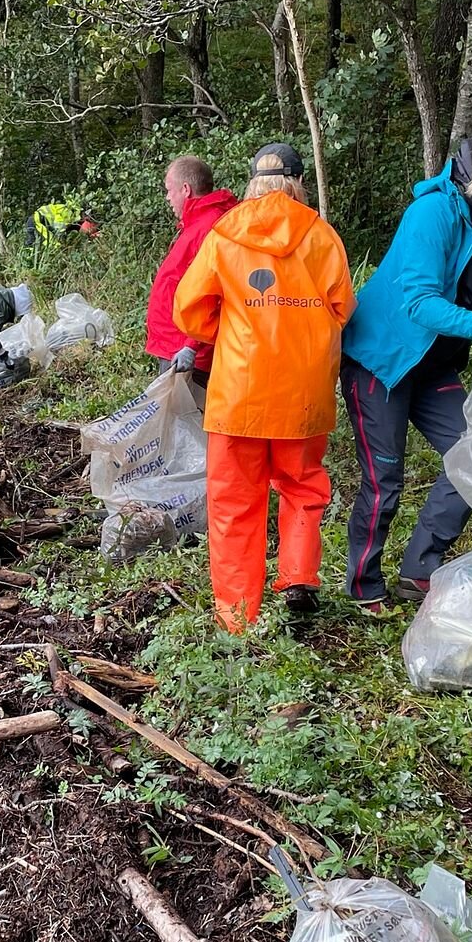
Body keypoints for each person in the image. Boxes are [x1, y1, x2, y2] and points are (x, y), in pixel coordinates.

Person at [340, 115, 472, 614]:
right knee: (384, 477)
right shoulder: (432, 212)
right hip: (382, 362)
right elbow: (418, 302)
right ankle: (364, 586)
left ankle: (420, 569)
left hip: (433, 366)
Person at [173, 142, 356, 632]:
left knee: (235, 503)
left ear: (253, 182)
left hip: (239, 392)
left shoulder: (225, 233)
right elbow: (343, 308)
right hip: (304, 392)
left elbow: (188, 308)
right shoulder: (321, 236)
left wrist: (231, 330)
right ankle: (298, 575)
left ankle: (237, 617)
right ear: (298, 181)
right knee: (302, 486)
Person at [146, 154, 236, 393]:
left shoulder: (209, 227)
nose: (167, 197)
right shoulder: (196, 224)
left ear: (185, 189)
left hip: (187, 353)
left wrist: (191, 346)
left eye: (169, 190)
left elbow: (216, 292)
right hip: (176, 344)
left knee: (187, 423)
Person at [25, 198, 100, 246]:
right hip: (37, 222)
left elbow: (74, 228)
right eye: (87, 216)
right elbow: (59, 228)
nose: (86, 219)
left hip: (36, 221)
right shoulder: (68, 212)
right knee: (53, 244)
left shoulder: (71, 213)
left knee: (36, 244)